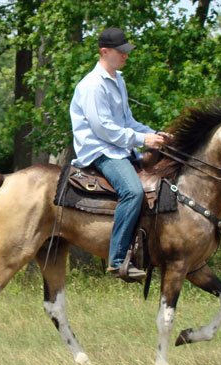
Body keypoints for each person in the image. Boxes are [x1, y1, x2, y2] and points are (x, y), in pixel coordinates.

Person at [70, 27, 165, 280]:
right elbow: (104, 129)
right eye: (120, 51)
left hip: (120, 148)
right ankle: (118, 258)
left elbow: (128, 122)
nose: (125, 55)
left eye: (126, 51)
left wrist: (156, 135)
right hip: (100, 151)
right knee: (132, 191)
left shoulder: (118, 80)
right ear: (104, 52)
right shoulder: (91, 85)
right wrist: (143, 139)